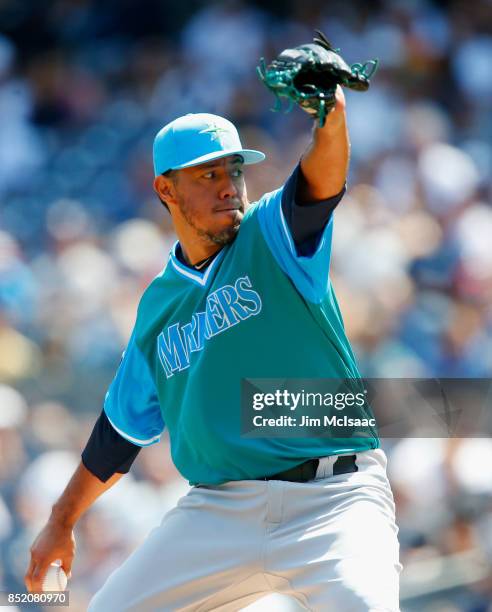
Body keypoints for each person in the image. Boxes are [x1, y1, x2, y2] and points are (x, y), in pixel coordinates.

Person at [25, 87, 402, 611]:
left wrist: (332, 119)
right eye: (209, 175)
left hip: (333, 499)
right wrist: (60, 522)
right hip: (218, 511)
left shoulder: (273, 233)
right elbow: (117, 436)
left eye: (235, 172)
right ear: (166, 188)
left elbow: (322, 180)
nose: (230, 188)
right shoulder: (159, 307)